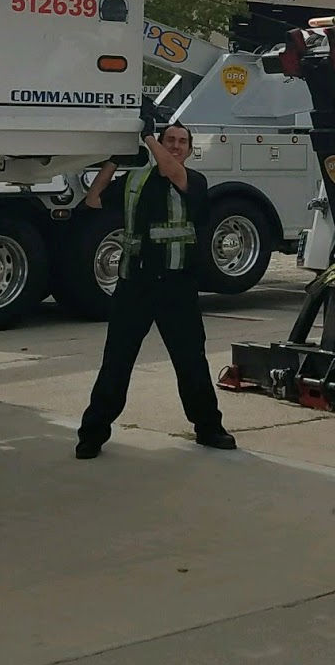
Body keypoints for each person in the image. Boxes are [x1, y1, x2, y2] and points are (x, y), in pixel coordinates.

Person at [75, 122, 238, 458]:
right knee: (116, 363)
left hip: (177, 286)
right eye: (170, 140)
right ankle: (92, 434)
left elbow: (169, 169)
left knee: (190, 362)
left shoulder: (193, 181)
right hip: (134, 285)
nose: (176, 146)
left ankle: (209, 428)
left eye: (182, 142)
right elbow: (93, 199)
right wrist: (116, 160)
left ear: (190, 150)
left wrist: (148, 136)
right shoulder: (135, 181)